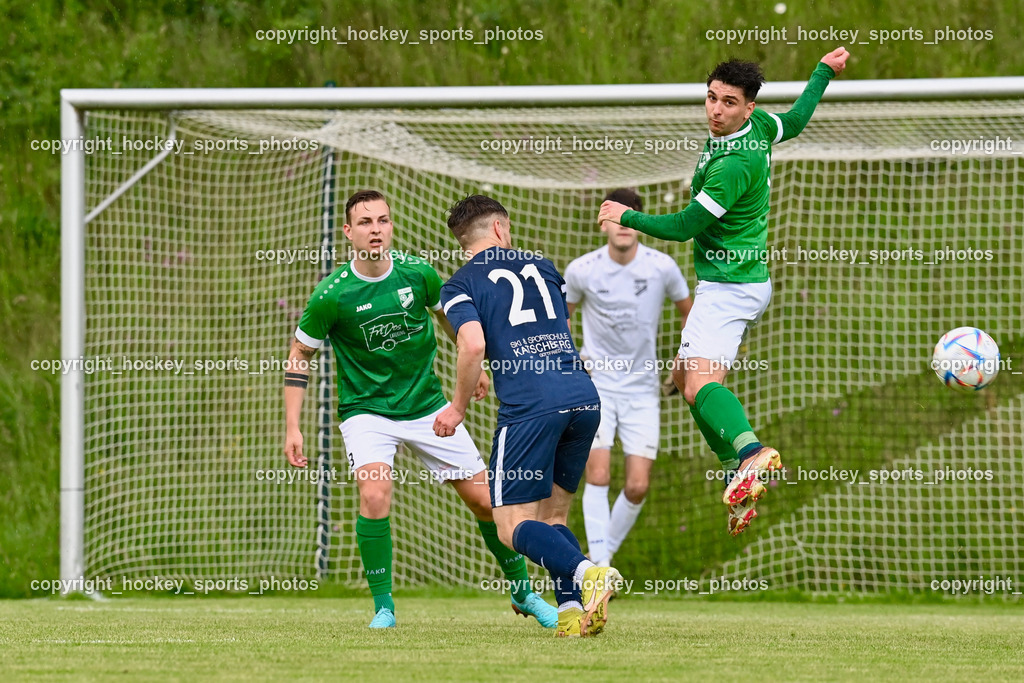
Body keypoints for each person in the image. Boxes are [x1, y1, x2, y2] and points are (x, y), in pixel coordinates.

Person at [598, 47, 851, 536]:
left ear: (747, 108)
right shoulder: (761, 129)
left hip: (727, 288)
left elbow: (687, 223)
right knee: (687, 382)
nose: (716, 110)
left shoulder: (733, 163)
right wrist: (824, 71)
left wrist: (624, 215)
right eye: (711, 98)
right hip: (744, 282)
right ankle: (738, 470)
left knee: (695, 384)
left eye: (729, 103)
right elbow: (795, 121)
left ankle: (752, 453)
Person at [283, 189, 557, 629]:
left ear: (391, 227)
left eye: (383, 220)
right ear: (349, 232)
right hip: (366, 411)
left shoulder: (418, 274)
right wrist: (293, 427)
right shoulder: (331, 295)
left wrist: (471, 358)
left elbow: (447, 316)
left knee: (488, 503)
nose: (376, 229)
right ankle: (384, 608)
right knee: (374, 494)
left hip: (429, 406)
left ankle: (523, 593)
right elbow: (300, 352)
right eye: (366, 222)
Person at [433, 195, 623, 638]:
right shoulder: (543, 265)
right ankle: (574, 613)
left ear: (466, 241)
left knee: (511, 526)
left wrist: (458, 406)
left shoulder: (459, 284)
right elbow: (562, 327)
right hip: (582, 397)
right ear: (500, 229)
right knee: (554, 517)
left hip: (530, 410)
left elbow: (473, 345)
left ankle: (587, 573)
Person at [565, 188, 692, 565]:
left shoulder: (662, 267)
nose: (623, 223)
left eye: (631, 214)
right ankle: (601, 569)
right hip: (598, 386)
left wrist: (682, 361)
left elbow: (690, 311)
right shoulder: (582, 270)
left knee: (638, 485)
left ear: (639, 221)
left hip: (642, 389)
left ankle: (601, 556)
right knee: (598, 475)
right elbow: (560, 317)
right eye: (616, 215)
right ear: (603, 222)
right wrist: (573, 361)